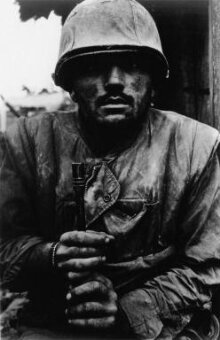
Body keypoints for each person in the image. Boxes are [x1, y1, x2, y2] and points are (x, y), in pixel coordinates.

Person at [1, 0, 220, 339]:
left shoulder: (196, 146)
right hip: (55, 322)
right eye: (94, 66)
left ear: (154, 81)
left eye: (132, 65)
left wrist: (129, 310)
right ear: (70, 83)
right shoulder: (27, 143)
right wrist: (52, 256)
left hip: (165, 325)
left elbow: (207, 265)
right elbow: (5, 247)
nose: (115, 81)